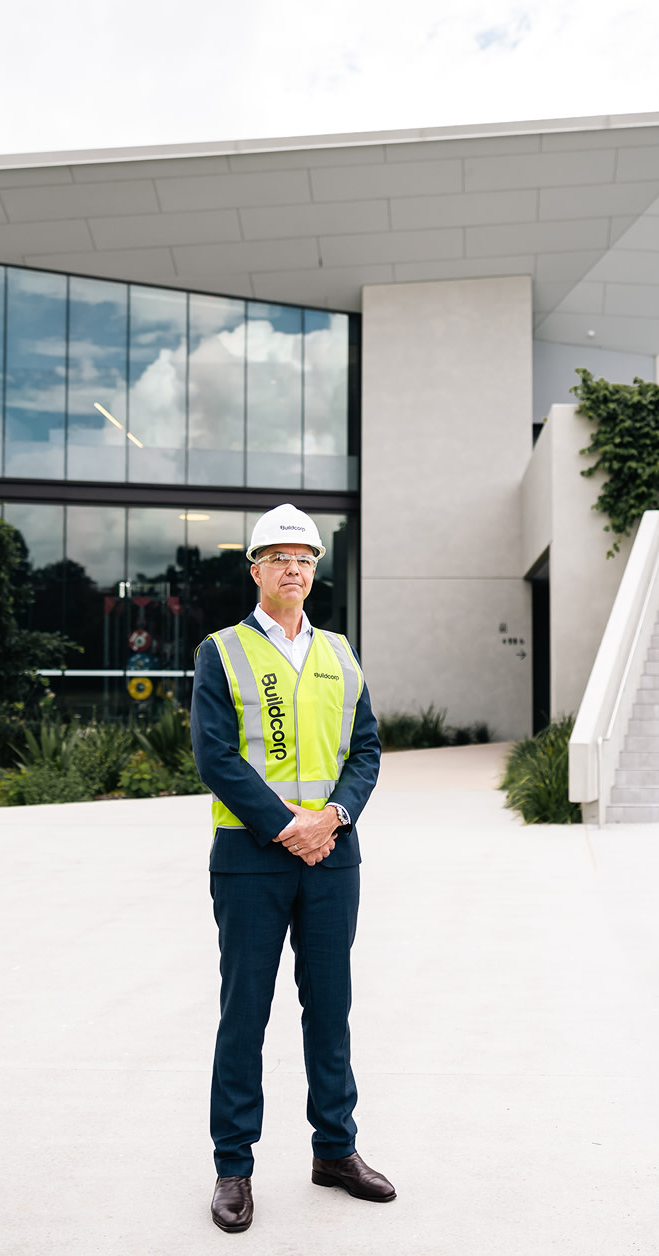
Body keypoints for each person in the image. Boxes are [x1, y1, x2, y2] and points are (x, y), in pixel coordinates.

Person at [190, 503, 392, 1235]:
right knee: (245, 1013)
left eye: (304, 559)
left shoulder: (340, 652)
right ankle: (233, 1167)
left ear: (315, 571)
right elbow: (215, 756)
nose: (293, 569)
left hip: (333, 856)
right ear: (256, 570)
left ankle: (335, 1150)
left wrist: (331, 817)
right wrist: (287, 826)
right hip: (251, 858)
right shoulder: (222, 652)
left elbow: (365, 750)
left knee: (330, 1008)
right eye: (278, 558)